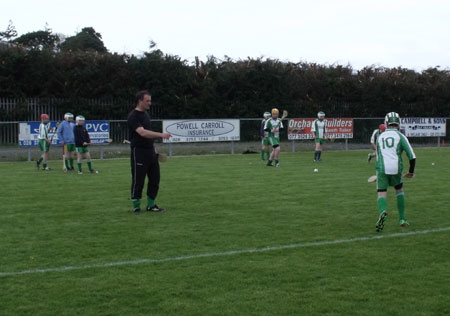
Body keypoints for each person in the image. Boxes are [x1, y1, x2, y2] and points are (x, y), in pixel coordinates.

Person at [127, 90, 172, 214]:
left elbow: (148, 134)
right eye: (147, 101)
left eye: (150, 100)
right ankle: (136, 206)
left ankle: (151, 205)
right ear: (140, 101)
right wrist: (162, 135)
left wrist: (154, 149)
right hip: (139, 152)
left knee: (155, 179)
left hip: (150, 151)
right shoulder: (133, 116)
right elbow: (142, 132)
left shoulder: (146, 115)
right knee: (138, 180)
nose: (150, 103)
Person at [375, 112, 416, 232]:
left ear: (386, 123)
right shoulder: (400, 136)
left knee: (381, 193)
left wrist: (378, 173)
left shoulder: (380, 136)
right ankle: (402, 219)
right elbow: (412, 156)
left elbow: (378, 156)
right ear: (398, 123)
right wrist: (411, 172)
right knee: (399, 191)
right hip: (397, 169)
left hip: (381, 169)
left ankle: (383, 211)